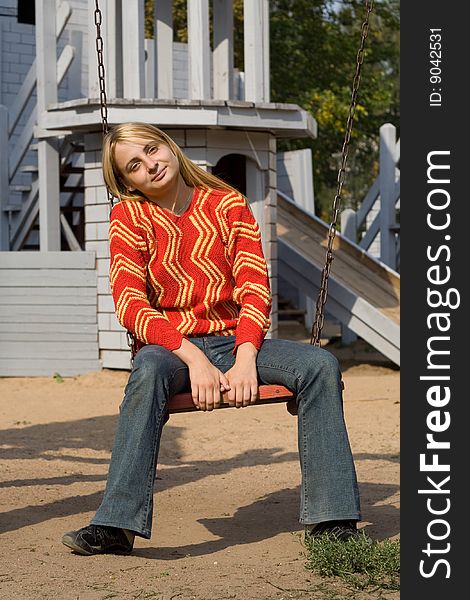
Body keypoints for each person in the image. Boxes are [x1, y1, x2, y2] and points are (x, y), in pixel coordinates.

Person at [61, 122, 362, 556]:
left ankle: (333, 520)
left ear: (169, 146)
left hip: (233, 339)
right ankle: (115, 526)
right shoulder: (128, 217)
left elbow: (254, 289)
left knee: (320, 365)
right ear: (127, 181)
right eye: (135, 165)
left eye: (152, 149)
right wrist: (193, 359)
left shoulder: (227, 204)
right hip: (170, 348)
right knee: (146, 369)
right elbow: (130, 304)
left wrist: (244, 358)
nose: (151, 165)